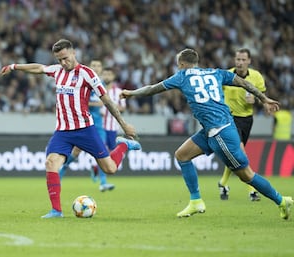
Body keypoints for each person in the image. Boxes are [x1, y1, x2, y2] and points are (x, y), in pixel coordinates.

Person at [120, 48, 293, 219]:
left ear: (181, 63)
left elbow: (152, 89)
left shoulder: (181, 76)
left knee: (246, 175)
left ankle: (282, 201)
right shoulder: (215, 73)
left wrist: (131, 93)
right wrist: (263, 99)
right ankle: (196, 201)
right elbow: (243, 83)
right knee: (182, 155)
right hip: (211, 130)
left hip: (221, 132)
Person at [0, 39, 141, 218]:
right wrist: (14, 66)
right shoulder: (58, 71)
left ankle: (124, 145)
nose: (62, 63)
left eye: (65, 58)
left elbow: (107, 101)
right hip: (63, 132)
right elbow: (39, 68)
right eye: (59, 59)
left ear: (73, 53)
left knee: (110, 169)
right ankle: (56, 210)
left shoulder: (87, 74)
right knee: (51, 163)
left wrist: (124, 125)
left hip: (85, 130)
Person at [58, 60, 116, 192]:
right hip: (84, 124)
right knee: (75, 153)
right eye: (93, 65)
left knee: (103, 152)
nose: (96, 68)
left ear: (101, 69)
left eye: (98, 65)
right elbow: (82, 102)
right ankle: (60, 173)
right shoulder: (84, 82)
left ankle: (103, 182)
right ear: (90, 67)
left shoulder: (100, 85)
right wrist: (99, 104)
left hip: (99, 126)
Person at [218, 48, 266, 201]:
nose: (240, 62)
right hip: (230, 119)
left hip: (247, 120)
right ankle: (253, 190)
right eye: (238, 59)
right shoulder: (226, 76)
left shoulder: (257, 77)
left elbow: (263, 98)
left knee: (235, 155)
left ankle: (223, 183)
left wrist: (256, 101)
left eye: (243, 60)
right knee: (241, 153)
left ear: (249, 61)